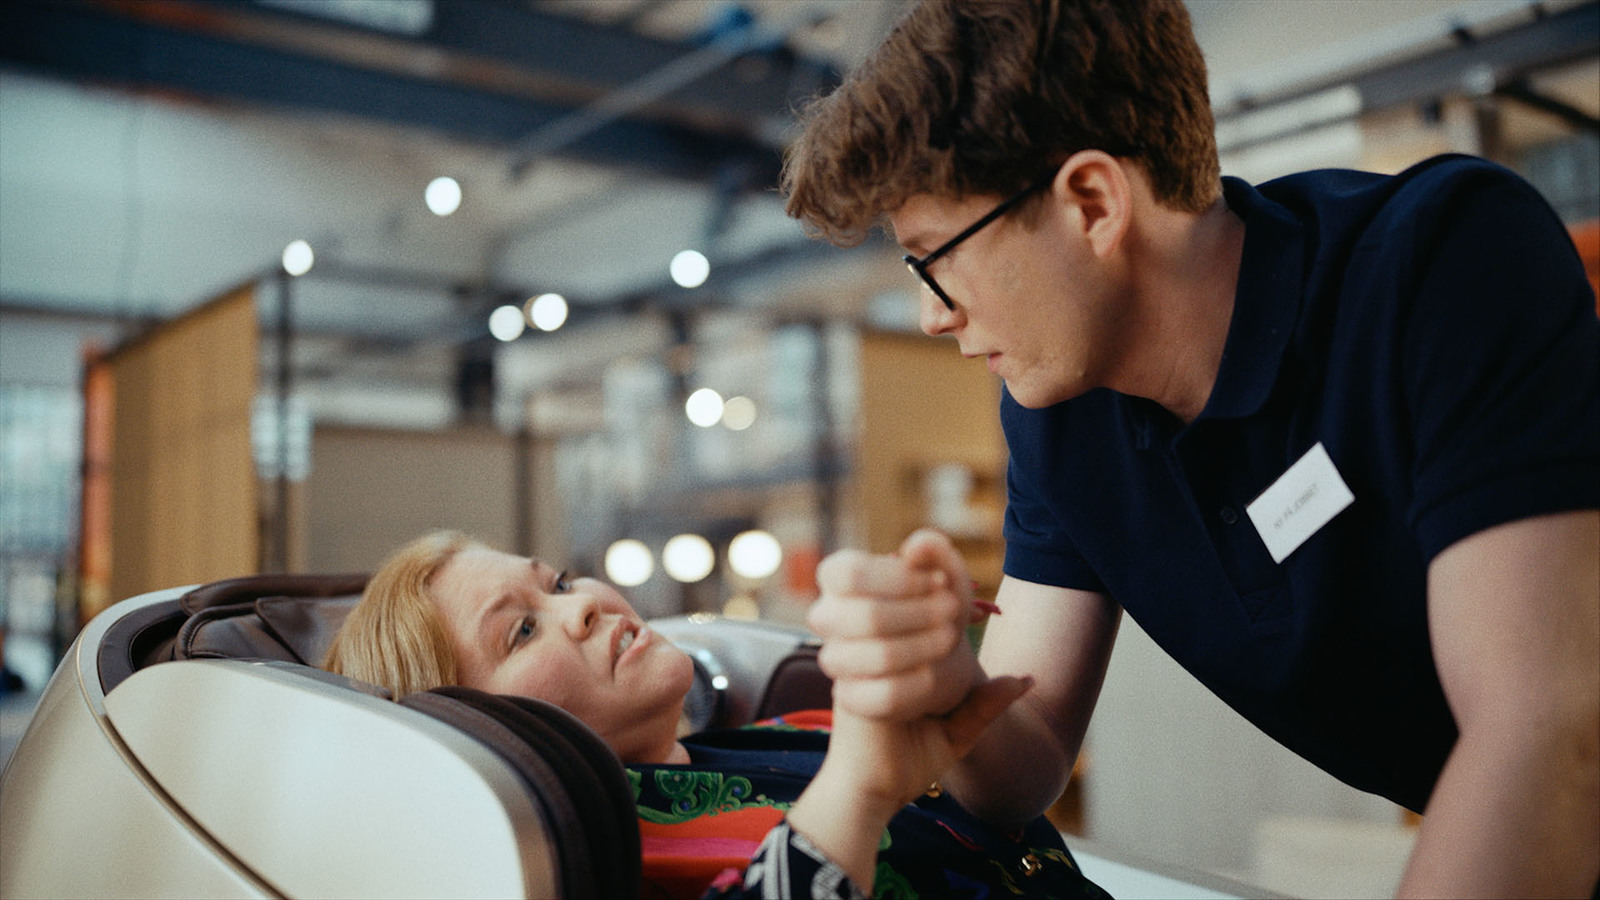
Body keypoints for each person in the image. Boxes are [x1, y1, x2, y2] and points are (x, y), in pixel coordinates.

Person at [780, 1, 1600, 898]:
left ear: (1092, 201)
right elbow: (1027, 759)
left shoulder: (1443, 260)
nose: (933, 313)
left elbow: (1546, 730)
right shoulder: (1057, 416)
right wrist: (943, 676)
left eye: (936, 257)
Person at [324, 530, 1111, 900]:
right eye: (522, 630)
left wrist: (947, 663)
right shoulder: (586, 871)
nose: (585, 607)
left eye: (558, 582)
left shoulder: (803, 728)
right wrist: (859, 792)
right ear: (476, 733)